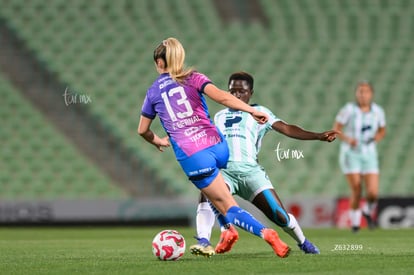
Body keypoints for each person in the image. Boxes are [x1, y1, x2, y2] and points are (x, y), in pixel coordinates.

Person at [137, 38, 290, 258]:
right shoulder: (194, 77)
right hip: (218, 146)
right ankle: (220, 233)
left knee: (227, 205)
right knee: (213, 191)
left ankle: (265, 233)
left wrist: (158, 141)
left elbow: (142, 130)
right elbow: (223, 97)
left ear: (159, 63)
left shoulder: (152, 92)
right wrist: (250, 110)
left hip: (194, 156)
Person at [190, 71, 338, 257]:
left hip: (251, 173)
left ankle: (303, 242)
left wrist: (317, 136)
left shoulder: (260, 112)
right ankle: (204, 240)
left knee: (280, 216)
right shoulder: (219, 116)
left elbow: (286, 128)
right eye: (232, 91)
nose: (236, 95)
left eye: (241, 91)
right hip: (225, 172)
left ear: (251, 92)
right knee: (207, 193)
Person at [333, 81, 386, 232]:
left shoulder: (378, 111)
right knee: (357, 189)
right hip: (351, 154)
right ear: (357, 94)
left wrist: (377, 138)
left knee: (373, 193)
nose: (363, 94)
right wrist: (349, 139)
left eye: (366, 91)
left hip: (369, 154)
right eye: (360, 91)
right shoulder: (348, 110)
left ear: (371, 94)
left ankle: (367, 211)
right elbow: (336, 129)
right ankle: (355, 225)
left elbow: (382, 130)